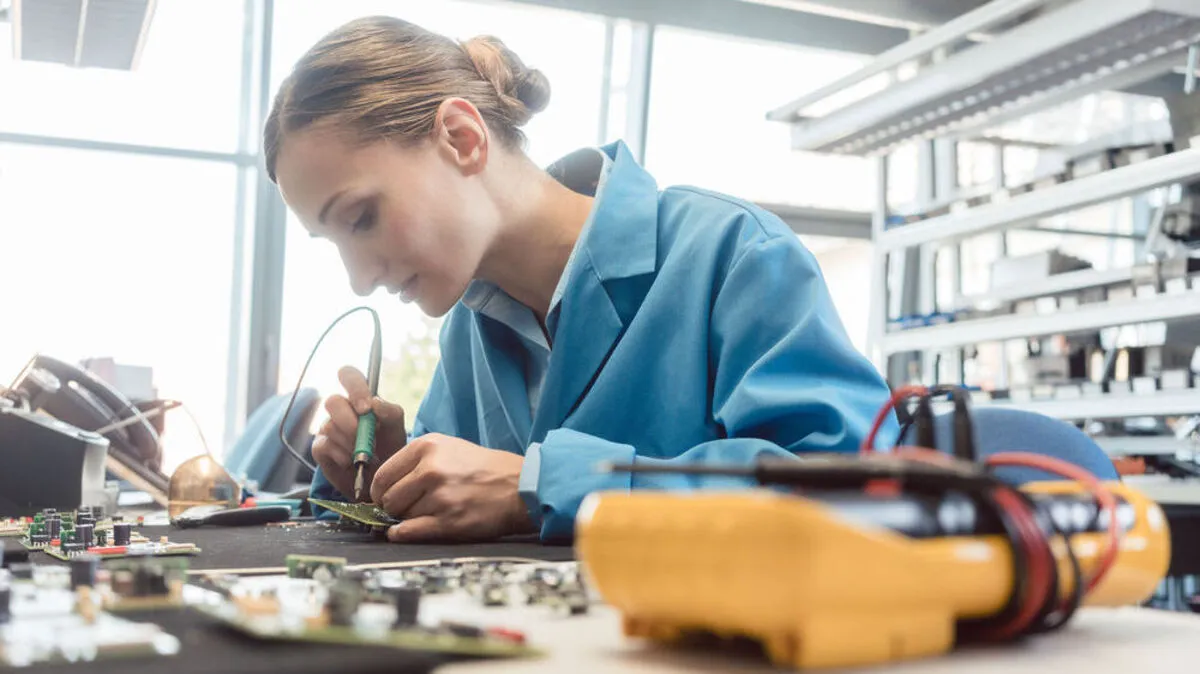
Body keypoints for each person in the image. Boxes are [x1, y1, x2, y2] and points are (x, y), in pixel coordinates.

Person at [265, 16, 897, 544]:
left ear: (461, 138)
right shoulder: (472, 328)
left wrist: (541, 486)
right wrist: (388, 472)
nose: (358, 278)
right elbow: (465, 498)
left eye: (362, 217)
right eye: (336, 243)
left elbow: (860, 494)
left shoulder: (732, 253)